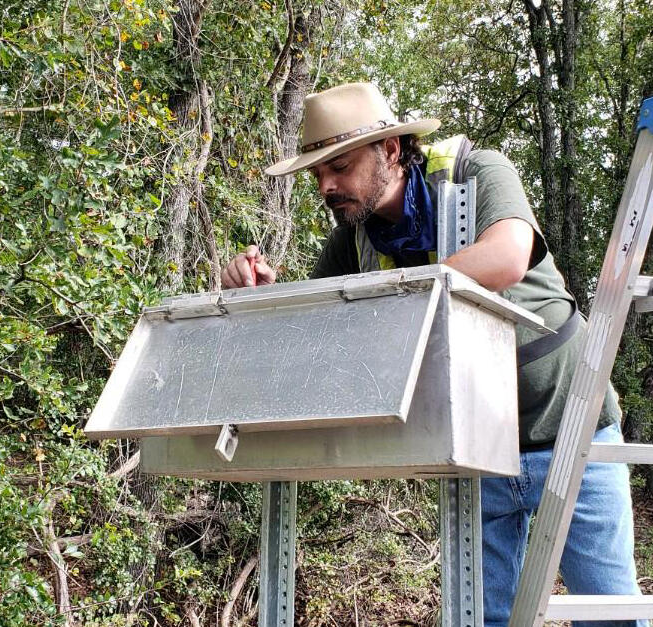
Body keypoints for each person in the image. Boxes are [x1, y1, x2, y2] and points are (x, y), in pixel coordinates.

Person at [221, 82, 647, 627]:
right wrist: (259, 296)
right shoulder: (352, 241)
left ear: (391, 152)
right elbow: (314, 330)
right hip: (473, 453)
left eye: (340, 167)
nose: (327, 186)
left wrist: (392, 296)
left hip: (568, 428)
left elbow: (507, 256)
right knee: (484, 618)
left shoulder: (477, 172)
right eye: (317, 174)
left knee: (611, 614)